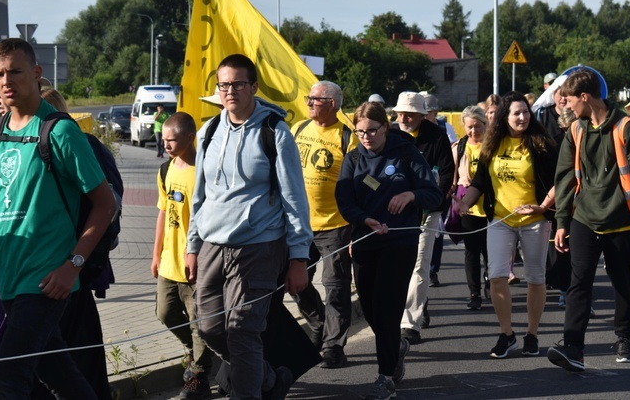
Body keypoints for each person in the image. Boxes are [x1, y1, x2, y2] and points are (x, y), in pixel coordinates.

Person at [0, 38, 117, 398]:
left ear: (36, 73)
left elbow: (105, 204)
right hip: (9, 282)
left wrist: (73, 265)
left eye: (15, 71)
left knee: (10, 379)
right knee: (62, 376)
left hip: (47, 282)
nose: (6, 81)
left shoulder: (60, 131)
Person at [185, 53, 313, 400]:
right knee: (209, 327)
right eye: (223, 85)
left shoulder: (275, 133)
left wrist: (298, 257)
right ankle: (269, 379)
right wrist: (192, 246)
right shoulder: (208, 131)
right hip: (212, 244)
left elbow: (295, 199)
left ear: (253, 87)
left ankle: (250, 392)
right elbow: (200, 196)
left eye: (238, 84)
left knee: (243, 331)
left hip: (258, 246)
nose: (230, 91)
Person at [547, 69, 630, 372]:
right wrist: (561, 223)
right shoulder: (576, 131)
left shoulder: (624, 127)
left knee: (623, 283)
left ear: (585, 97)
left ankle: (624, 336)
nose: (565, 106)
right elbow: (565, 178)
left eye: (568, 100)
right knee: (578, 283)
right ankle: (573, 348)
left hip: (622, 219)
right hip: (584, 218)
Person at [336, 101, 441, 400]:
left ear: (385, 127)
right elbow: (344, 200)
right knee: (369, 307)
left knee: (387, 307)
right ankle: (395, 348)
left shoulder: (406, 152)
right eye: (359, 132)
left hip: (400, 241)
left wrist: (410, 195)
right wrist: (362, 219)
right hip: (366, 240)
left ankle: (385, 377)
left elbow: (433, 193)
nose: (366, 137)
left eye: (372, 130)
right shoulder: (353, 158)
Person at [454, 91, 557, 359]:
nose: (522, 117)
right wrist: (465, 203)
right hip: (500, 220)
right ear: (504, 117)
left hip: (535, 220)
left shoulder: (541, 143)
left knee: (536, 278)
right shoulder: (492, 144)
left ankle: (532, 334)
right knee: (497, 277)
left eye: (526, 112)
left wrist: (544, 207)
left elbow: (561, 179)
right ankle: (507, 334)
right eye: (516, 113)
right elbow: (479, 182)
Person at [291, 80, 357, 368]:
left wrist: (357, 228)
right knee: (295, 282)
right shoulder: (299, 129)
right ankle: (318, 321)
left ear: (331, 104)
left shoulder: (348, 137)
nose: (308, 103)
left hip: (335, 225)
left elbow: (358, 185)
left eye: (314, 99)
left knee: (336, 287)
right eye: (308, 98)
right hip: (299, 226)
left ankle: (333, 346)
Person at [152, 112, 213, 398]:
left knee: (198, 321)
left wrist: (200, 254)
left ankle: (198, 381)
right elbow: (163, 213)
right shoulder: (165, 170)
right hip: (169, 260)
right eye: (163, 140)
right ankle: (195, 351)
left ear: (190, 138)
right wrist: (155, 255)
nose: (166, 145)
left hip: (196, 262)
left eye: (172, 140)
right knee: (165, 313)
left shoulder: (204, 171)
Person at [391, 91, 454, 345]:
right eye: (400, 113)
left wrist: (431, 201)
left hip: (427, 210)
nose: (404, 118)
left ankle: (411, 322)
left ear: (421, 115)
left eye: (409, 114)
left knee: (419, 264)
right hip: (395, 211)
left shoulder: (436, 136)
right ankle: (395, 313)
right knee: (396, 265)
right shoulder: (391, 134)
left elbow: (447, 173)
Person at [451, 106, 490, 310]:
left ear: (485, 124)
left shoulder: (493, 146)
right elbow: (452, 176)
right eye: (469, 127)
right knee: (472, 251)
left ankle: (491, 283)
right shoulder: (459, 147)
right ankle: (474, 292)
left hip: (491, 205)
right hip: (467, 206)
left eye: (477, 126)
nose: (473, 131)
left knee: (490, 251)